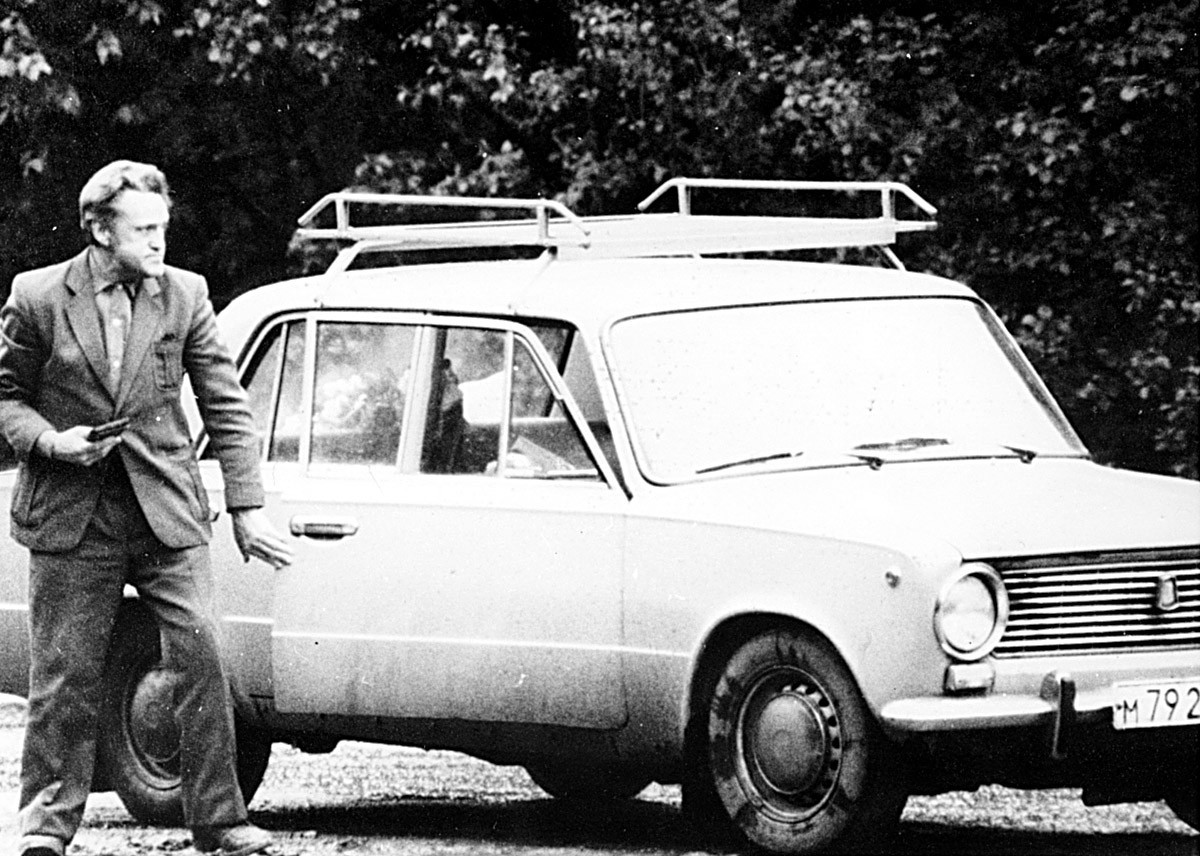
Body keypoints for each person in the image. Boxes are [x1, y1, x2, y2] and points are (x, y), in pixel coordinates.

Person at [0, 160, 294, 856]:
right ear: (99, 230)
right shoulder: (38, 297)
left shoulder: (185, 294)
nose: (160, 242)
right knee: (66, 675)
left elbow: (226, 403)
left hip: (167, 511)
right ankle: (46, 826)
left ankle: (221, 821)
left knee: (201, 658)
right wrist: (49, 441)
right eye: (144, 229)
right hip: (73, 513)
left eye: (163, 227)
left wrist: (249, 507)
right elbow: (5, 398)